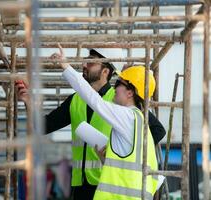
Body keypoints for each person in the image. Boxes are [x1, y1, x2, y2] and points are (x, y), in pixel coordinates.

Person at [16, 46, 165, 200]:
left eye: (91, 63)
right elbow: (43, 126)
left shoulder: (121, 107)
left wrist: (124, 149)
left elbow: (157, 130)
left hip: (107, 180)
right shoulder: (76, 100)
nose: (84, 65)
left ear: (105, 71)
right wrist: (29, 103)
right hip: (81, 184)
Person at [54, 43, 159, 199]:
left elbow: (95, 101)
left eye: (119, 84)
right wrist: (107, 159)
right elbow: (127, 169)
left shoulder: (128, 116)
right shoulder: (138, 120)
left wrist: (66, 66)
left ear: (130, 92)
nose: (115, 88)